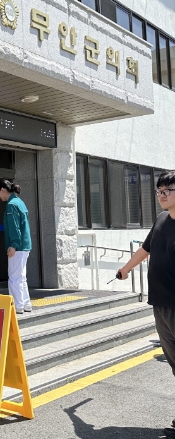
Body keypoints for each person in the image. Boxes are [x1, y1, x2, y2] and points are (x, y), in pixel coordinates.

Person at [115, 170, 175, 439]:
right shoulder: (161, 219)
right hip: (161, 305)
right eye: (159, 191)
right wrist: (126, 268)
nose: (161, 195)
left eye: (167, 191)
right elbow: (146, 248)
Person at [0, 180, 32, 314]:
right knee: (21, 277)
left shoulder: (11, 205)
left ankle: (17, 306)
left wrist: (13, 245)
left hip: (18, 246)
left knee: (14, 277)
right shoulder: (19, 202)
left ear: (3, 190)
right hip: (25, 245)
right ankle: (26, 304)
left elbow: (14, 227)